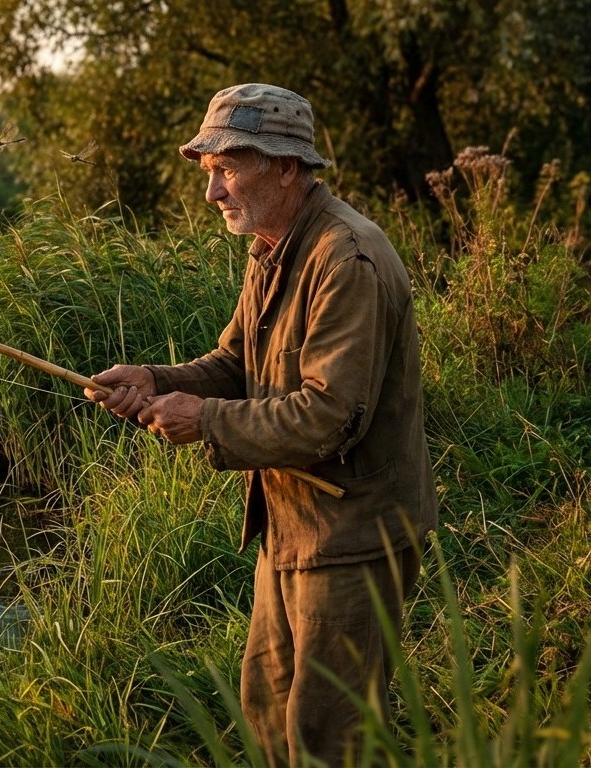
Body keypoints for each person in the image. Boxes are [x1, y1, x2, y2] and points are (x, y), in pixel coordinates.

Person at [85, 83, 438, 766]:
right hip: (292, 522)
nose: (212, 192)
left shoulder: (345, 258)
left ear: (285, 165)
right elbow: (233, 361)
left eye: (226, 169)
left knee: (328, 736)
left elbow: (329, 417)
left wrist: (204, 420)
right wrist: (158, 381)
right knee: (268, 712)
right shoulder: (272, 245)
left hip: (355, 536)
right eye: (207, 173)